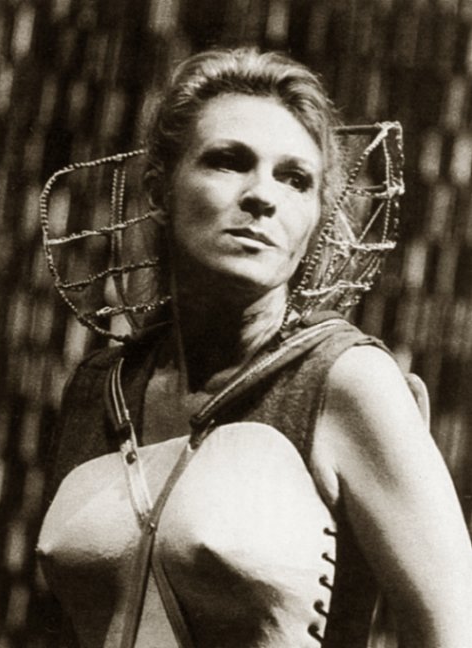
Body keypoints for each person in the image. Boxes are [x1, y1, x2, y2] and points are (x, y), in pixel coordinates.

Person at [37, 48, 472, 648]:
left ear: (316, 218)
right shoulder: (99, 388)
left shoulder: (345, 382)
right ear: (160, 191)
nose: (262, 196)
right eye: (228, 161)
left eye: (295, 179)